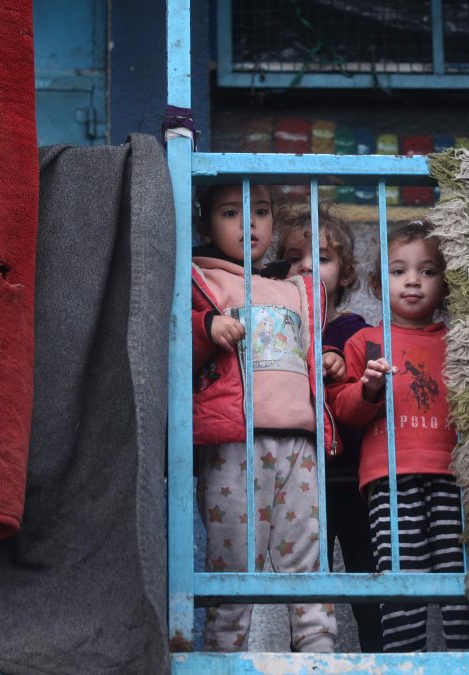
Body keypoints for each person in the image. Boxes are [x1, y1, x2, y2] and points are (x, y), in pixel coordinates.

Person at [191, 183, 338, 653]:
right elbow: (170, 337)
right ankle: (222, 658)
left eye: (260, 211)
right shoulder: (200, 277)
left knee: (308, 563)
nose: (248, 222)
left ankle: (319, 656)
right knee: (233, 568)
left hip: (299, 442)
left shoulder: (292, 288)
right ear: (207, 223)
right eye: (231, 212)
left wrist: (331, 358)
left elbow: (311, 346)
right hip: (236, 444)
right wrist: (206, 326)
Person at [327, 221, 469, 652]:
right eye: (399, 271)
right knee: (401, 582)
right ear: (379, 283)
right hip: (389, 480)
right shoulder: (366, 342)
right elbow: (344, 411)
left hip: (454, 477)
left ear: (447, 285)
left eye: (428, 271)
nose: (413, 281)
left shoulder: (460, 342)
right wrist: (369, 389)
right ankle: (403, 663)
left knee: (462, 581)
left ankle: (466, 664)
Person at [277, 206, 383, 652]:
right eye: (294, 256)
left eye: (320, 257)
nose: (306, 265)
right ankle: (307, 657)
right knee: (306, 583)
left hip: (352, 477)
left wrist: (340, 361)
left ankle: (379, 655)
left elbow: (363, 379)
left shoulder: (352, 329)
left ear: (344, 274)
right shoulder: (278, 326)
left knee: (368, 577)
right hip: (300, 477)